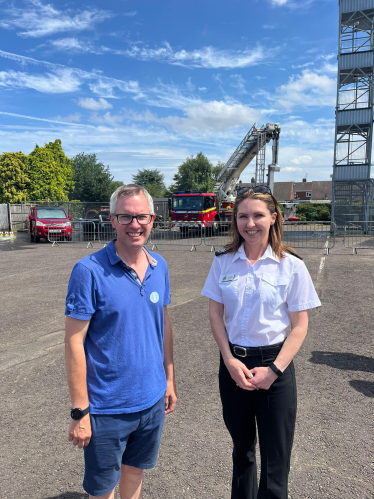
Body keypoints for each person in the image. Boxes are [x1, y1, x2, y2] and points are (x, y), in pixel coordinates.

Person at [201, 186, 321, 499]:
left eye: (257, 215)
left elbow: (299, 326)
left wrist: (274, 370)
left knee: (275, 461)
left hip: (275, 368)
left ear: (273, 217)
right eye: (242, 216)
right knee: (242, 454)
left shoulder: (290, 265)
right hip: (234, 366)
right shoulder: (224, 262)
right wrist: (228, 360)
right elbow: (216, 315)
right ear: (234, 219)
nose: (249, 223)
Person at [64, 184, 177, 499]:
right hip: (107, 407)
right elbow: (74, 342)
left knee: (135, 471)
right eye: (125, 217)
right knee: (103, 489)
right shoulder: (88, 271)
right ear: (111, 220)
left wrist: (168, 379)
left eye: (141, 216)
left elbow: (163, 324)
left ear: (153, 219)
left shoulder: (160, 266)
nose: (134, 224)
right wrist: (79, 411)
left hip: (152, 400)